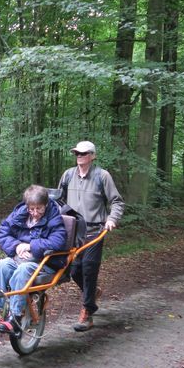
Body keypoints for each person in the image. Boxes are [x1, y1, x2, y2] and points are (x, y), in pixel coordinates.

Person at [0, 185, 67, 334]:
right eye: (32, 209)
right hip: (18, 258)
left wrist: (30, 245)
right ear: (26, 206)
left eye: (39, 209)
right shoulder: (19, 214)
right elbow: (3, 233)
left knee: (23, 270)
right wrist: (16, 246)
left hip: (43, 262)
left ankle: (15, 316)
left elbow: (58, 241)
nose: (35, 213)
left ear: (46, 205)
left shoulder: (54, 217)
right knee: (1, 265)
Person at [57, 140, 124, 331]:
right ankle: (93, 293)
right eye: (77, 153)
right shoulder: (68, 175)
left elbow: (117, 202)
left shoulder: (102, 176)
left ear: (92, 156)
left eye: (84, 154)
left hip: (95, 230)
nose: (80, 156)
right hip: (73, 231)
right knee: (73, 271)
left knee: (88, 269)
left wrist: (112, 219)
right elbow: (58, 198)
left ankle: (87, 313)